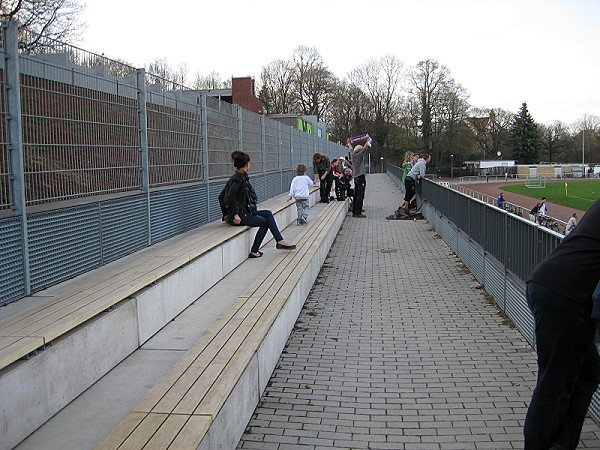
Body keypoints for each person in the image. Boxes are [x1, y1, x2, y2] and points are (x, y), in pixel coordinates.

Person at [524, 197, 600, 450]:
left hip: (548, 285)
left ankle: (560, 444)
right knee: (553, 385)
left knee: (588, 372)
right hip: (567, 297)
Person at [219, 151, 296, 258]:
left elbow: (221, 197)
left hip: (245, 212)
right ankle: (255, 250)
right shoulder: (239, 179)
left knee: (268, 213)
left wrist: (225, 214)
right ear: (247, 164)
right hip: (241, 215)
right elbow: (230, 195)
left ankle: (279, 241)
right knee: (265, 223)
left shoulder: (236, 177)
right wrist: (235, 215)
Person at [349, 135, 371, 218]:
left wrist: (349, 143)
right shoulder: (359, 156)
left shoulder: (353, 155)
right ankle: (357, 213)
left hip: (356, 178)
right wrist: (367, 139)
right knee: (360, 196)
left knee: (356, 195)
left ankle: (355, 210)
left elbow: (351, 148)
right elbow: (365, 147)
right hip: (360, 177)